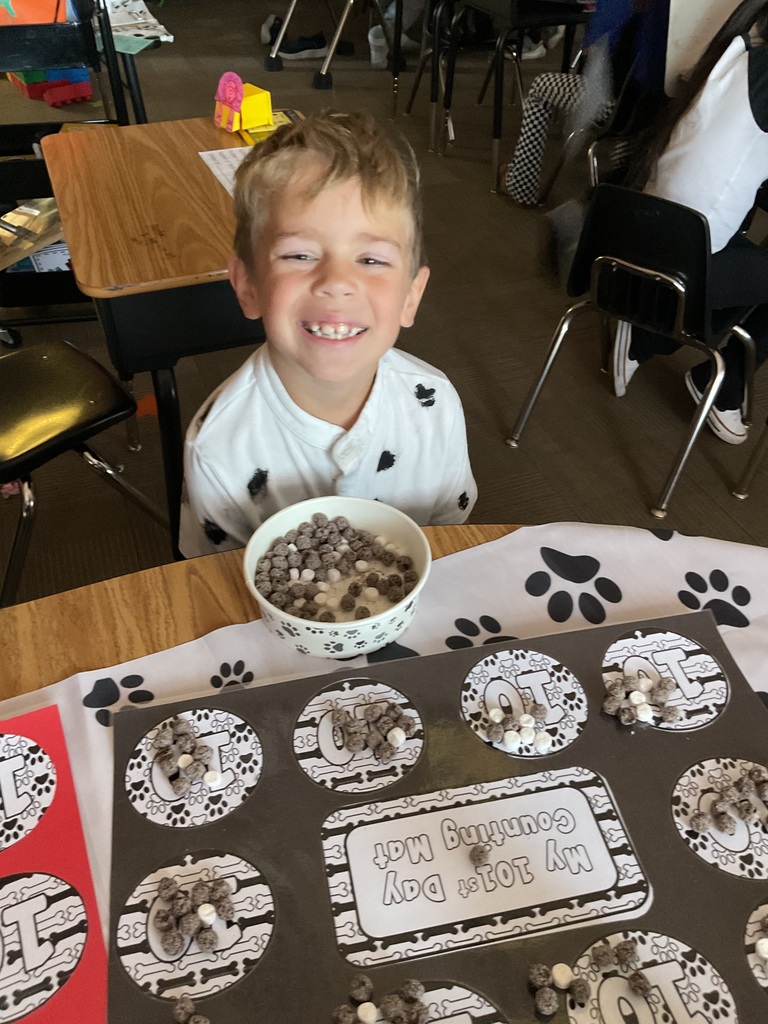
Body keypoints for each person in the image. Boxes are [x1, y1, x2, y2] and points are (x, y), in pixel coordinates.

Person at [179, 111, 477, 558]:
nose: (336, 282)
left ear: (411, 297)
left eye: (371, 260)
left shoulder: (435, 404)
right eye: (299, 255)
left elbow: (451, 543)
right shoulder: (217, 447)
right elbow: (215, 578)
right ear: (248, 286)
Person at [614, 0, 768, 445]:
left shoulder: (739, 55)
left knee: (749, 252)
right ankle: (721, 384)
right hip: (682, 259)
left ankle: (653, 335)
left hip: (639, 228)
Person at [498, 0, 665, 206]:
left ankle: (521, 184)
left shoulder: (618, 7)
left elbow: (593, 52)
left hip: (614, 106)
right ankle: (624, 180)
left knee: (540, 87)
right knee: (632, 117)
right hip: (657, 112)